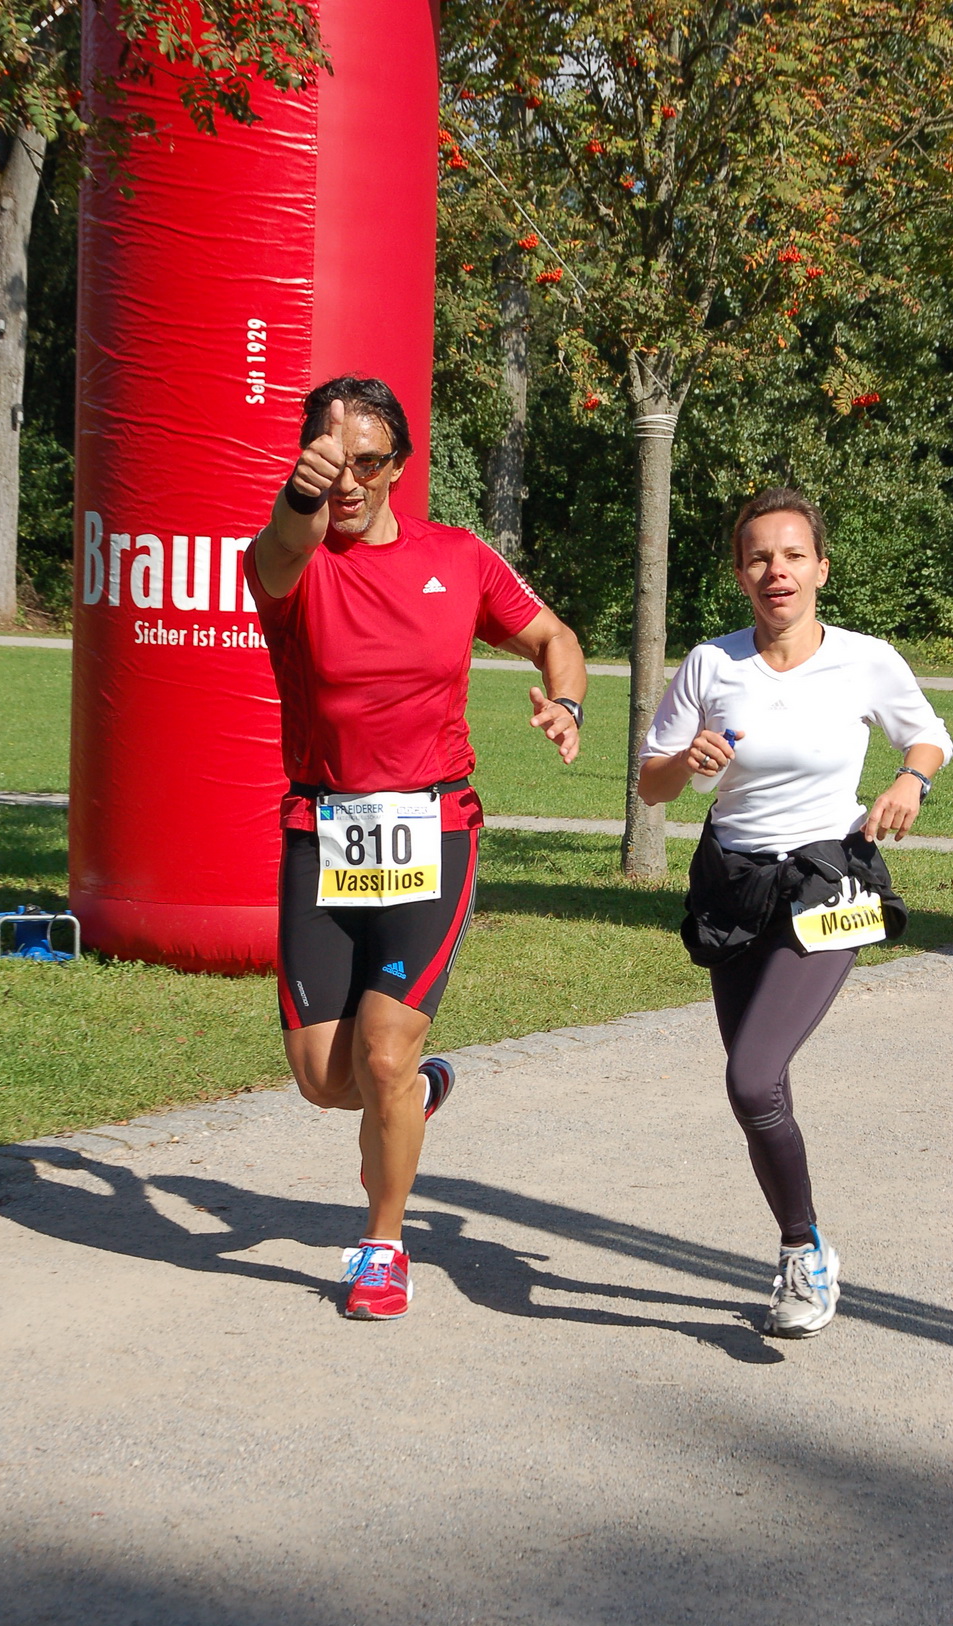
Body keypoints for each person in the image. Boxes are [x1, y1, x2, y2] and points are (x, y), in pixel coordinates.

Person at [244, 375, 586, 1320]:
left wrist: (566, 702)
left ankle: (382, 1246)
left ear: (397, 465)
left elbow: (555, 635)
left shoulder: (459, 560)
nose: (346, 480)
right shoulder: (289, 559)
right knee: (324, 1079)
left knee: (383, 1056)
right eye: (328, 458)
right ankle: (420, 1091)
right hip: (323, 830)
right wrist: (299, 497)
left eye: (365, 462)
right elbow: (276, 549)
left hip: (433, 831)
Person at [639, 486, 950, 1338]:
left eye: (790, 555)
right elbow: (651, 781)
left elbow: (928, 734)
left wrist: (907, 781)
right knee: (758, 1091)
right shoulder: (712, 664)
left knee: (748, 1075)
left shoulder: (864, 659)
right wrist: (685, 759)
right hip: (733, 884)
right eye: (757, 557)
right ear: (740, 573)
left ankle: (800, 1254)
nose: (775, 571)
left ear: (819, 567)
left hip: (826, 882)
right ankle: (806, 1240)